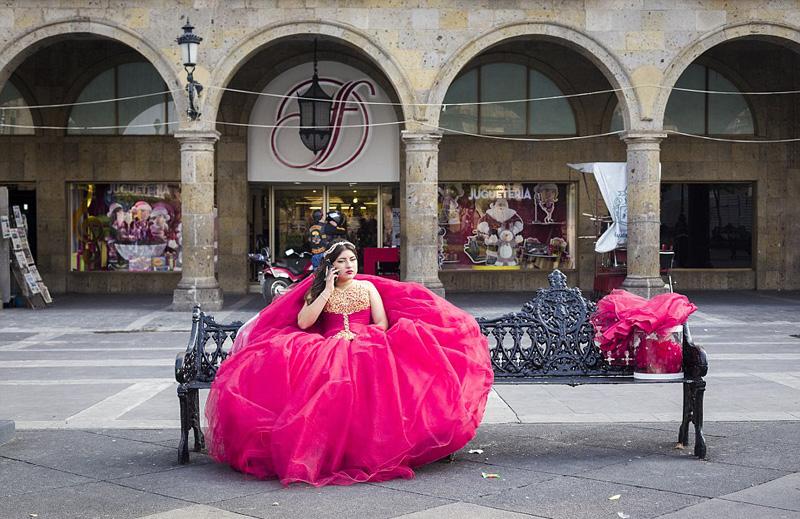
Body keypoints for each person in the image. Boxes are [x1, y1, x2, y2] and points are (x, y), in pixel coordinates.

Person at [205, 240, 494, 487]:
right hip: (327, 345)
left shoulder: (367, 288)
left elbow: (381, 323)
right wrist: (327, 289)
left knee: (371, 374)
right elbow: (305, 323)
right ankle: (330, 451)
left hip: (366, 343)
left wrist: (360, 336)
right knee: (328, 378)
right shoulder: (319, 291)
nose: (349, 265)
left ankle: (365, 450)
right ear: (331, 266)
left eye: (353, 260)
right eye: (342, 261)